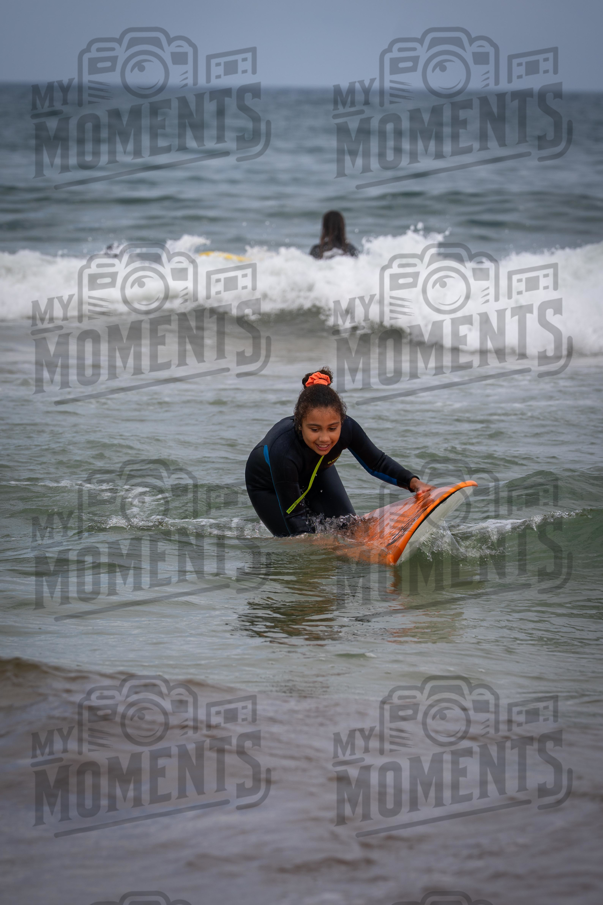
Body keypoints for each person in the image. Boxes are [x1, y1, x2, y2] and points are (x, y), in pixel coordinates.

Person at [245, 367, 434, 537]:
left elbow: (377, 462)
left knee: (350, 529)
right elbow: (294, 516)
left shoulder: (347, 428)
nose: (325, 439)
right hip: (268, 485)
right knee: (304, 543)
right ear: (299, 424)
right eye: (315, 429)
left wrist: (413, 483)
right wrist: (323, 544)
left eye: (332, 428)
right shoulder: (284, 450)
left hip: (316, 471)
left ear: (341, 421)